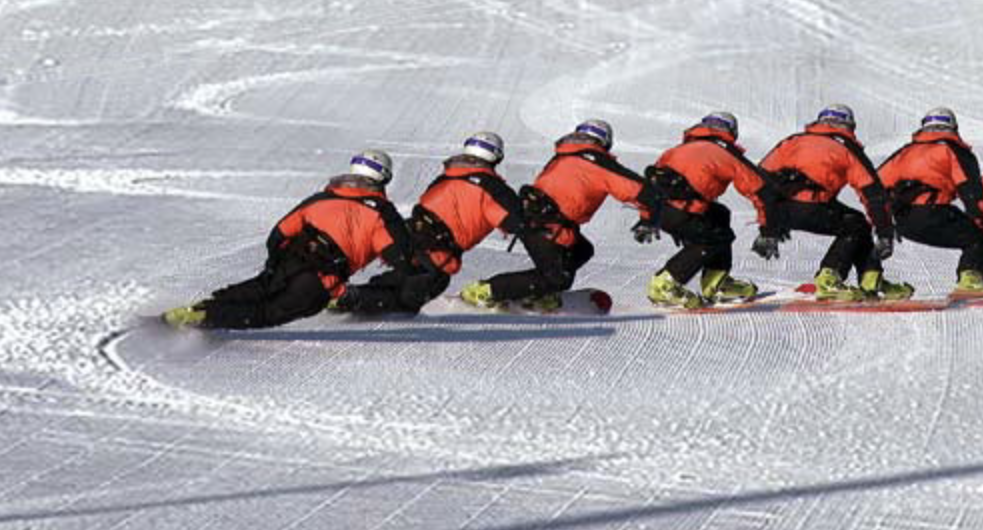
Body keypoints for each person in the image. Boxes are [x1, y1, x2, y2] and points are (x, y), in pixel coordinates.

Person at [162, 150, 414, 329]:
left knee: (263, 286)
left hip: (291, 258)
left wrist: (276, 264)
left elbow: (279, 233)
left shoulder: (320, 199)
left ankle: (200, 307)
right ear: (385, 178)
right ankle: (205, 317)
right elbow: (400, 255)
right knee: (270, 312)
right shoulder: (382, 212)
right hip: (321, 278)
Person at [459, 119, 659, 310]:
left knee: (582, 249)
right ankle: (486, 290)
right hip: (545, 225)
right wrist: (650, 216)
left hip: (542, 221)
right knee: (556, 278)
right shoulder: (597, 161)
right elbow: (638, 189)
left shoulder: (564, 155)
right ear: (605, 142)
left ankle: (539, 291)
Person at [334, 133, 526, 315]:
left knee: (407, 275)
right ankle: (353, 299)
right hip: (436, 246)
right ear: (497, 156)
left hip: (410, 232)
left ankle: (354, 295)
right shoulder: (493, 187)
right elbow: (512, 220)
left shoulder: (446, 177)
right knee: (417, 293)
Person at [757, 104, 912, 302]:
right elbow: (873, 194)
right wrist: (884, 231)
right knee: (855, 226)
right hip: (812, 207)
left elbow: (759, 178)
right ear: (849, 126)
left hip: (781, 209)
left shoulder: (794, 141)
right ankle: (830, 278)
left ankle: (871, 278)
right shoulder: (847, 148)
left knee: (856, 221)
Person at [639, 111, 784, 308]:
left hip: (660, 209)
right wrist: (769, 230)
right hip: (683, 209)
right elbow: (760, 189)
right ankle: (665, 284)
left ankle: (716, 282)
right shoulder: (725, 151)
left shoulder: (678, 149)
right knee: (713, 238)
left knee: (719, 215)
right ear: (732, 132)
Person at [878, 108, 983, 294]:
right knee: (978, 237)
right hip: (932, 213)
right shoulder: (953, 150)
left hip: (903, 220)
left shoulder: (906, 151)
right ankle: (970, 277)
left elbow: (874, 186)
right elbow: (971, 194)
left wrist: (883, 224)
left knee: (973, 236)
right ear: (953, 127)